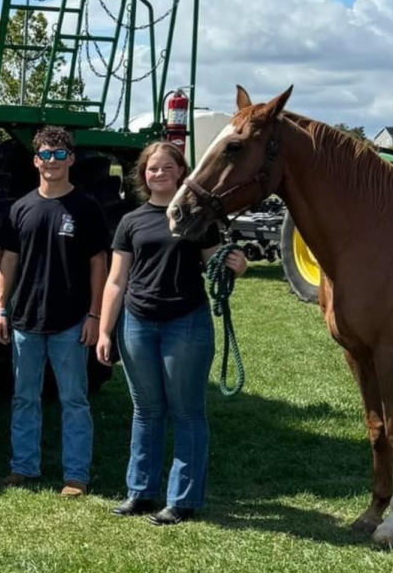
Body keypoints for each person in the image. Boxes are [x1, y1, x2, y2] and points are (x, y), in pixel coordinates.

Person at [96, 141, 246, 525]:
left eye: (166, 168)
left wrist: (236, 264)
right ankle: (141, 492)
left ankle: (182, 500)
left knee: (187, 412)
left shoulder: (196, 219)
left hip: (186, 322)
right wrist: (104, 330)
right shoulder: (131, 222)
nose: (158, 174)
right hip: (137, 323)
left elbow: (217, 265)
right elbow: (116, 280)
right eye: (151, 169)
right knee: (146, 411)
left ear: (181, 172)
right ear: (142, 175)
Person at [0, 126, 109, 497]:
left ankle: (75, 474)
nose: (52, 162)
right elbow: (7, 262)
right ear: (35, 160)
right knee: (24, 397)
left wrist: (94, 315)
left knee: (73, 399)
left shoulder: (87, 208)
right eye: (46, 154)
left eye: (60, 155)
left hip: (71, 321)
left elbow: (99, 265)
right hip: (25, 319)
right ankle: (23, 467)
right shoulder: (20, 208)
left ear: (71, 159)